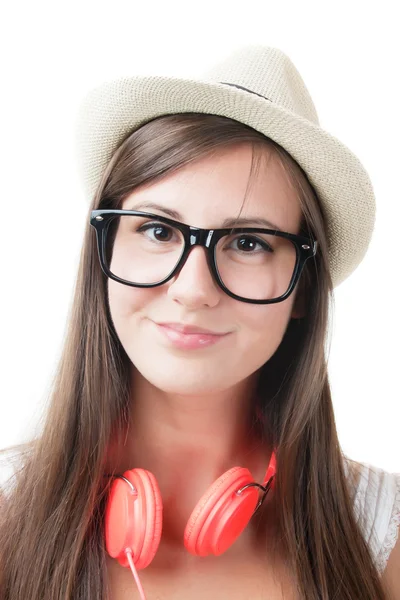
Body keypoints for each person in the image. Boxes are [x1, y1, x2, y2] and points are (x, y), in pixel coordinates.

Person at [0, 45, 399, 600]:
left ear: (303, 287)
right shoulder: (6, 514)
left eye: (249, 242)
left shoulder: (382, 536)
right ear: (107, 249)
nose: (192, 290)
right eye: (159, 231)